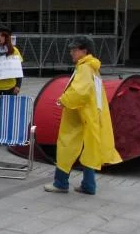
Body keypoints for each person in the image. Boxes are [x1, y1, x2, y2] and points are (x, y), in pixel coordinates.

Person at [44, 35, 121, 195]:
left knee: (66, 147)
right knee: (89, 149)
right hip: (89, 115)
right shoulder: (92, 67)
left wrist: (63, 100)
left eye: (74, 49)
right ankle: (88, 185)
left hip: (78, 115)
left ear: (84, 51)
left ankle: (60, 183)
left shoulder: (85, 68)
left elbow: (80, 91)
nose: (71, 52)